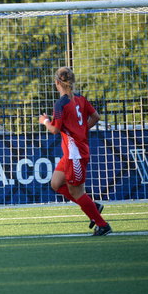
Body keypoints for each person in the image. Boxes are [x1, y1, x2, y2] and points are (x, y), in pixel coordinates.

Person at [39, 67, 111, 236]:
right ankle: (93, 206)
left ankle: (103, 225)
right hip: (72, 152)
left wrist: (45, 121)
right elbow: (96, 117)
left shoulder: (61, 104)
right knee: (56, 184)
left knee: (76, 192)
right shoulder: (80, 98)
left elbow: (55, 130)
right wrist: (81, 129)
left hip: (75, 154)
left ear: (57, 82)